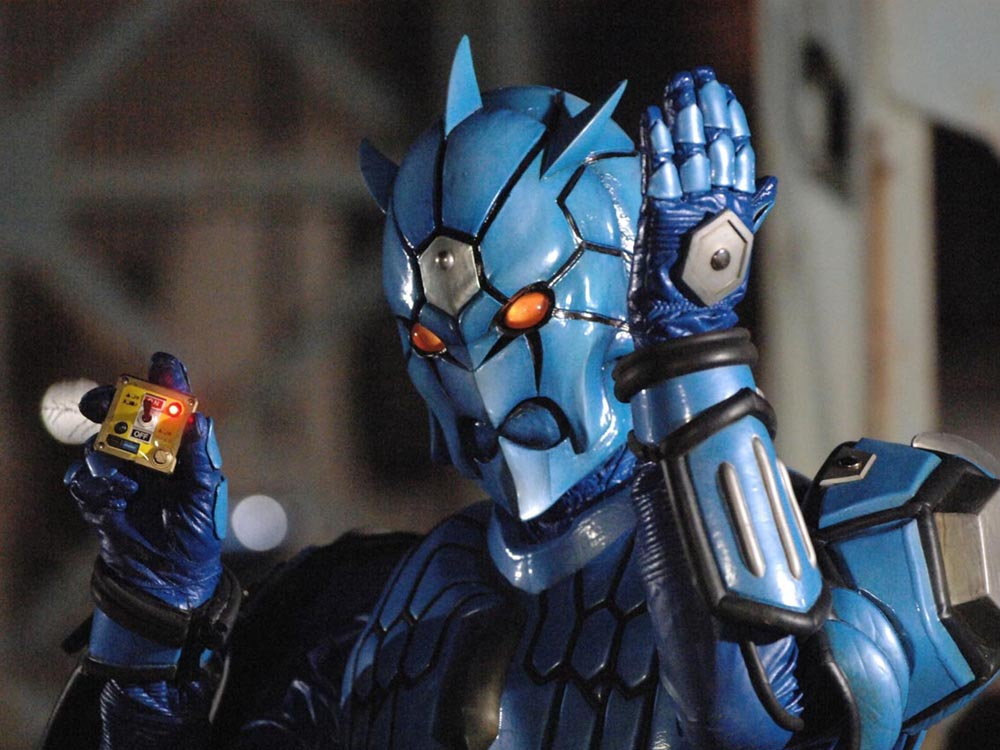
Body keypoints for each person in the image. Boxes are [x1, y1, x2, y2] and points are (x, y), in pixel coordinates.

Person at [44, 37, 1000, 750]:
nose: (477, 374)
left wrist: (691, 343)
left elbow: (755, 716)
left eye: (527, 312)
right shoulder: (359, 610)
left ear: (629, 292)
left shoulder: (844, 549)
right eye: (430, 337)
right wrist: (153, 617)